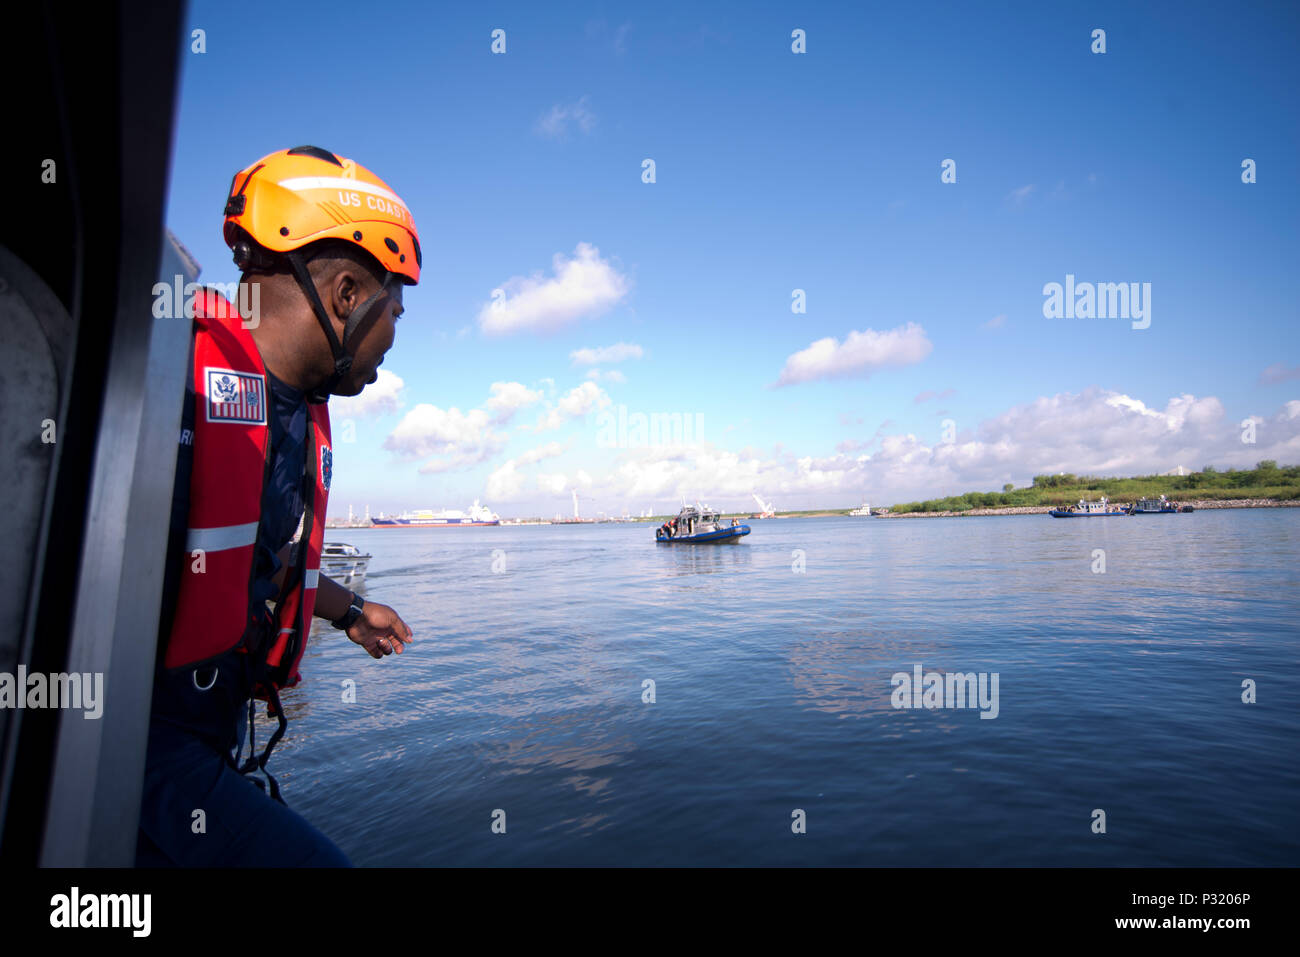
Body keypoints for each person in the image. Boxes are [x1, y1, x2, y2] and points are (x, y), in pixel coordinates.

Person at [137, 146, 420, 866]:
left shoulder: (290, 414)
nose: (395, 336)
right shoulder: (172, 392)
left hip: (208, 737)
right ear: (349, 293)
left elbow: (255, 565)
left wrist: (349, 611)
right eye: (397, 309)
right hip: (139, 749)